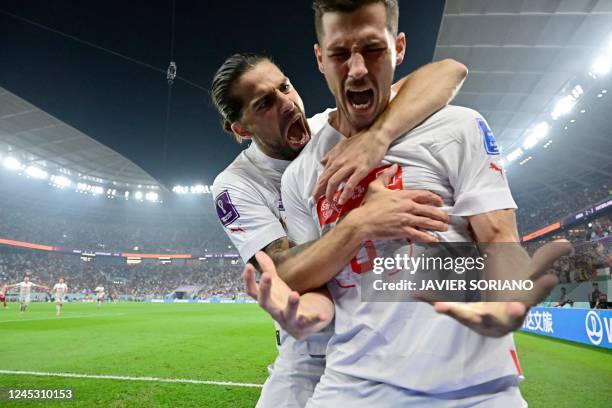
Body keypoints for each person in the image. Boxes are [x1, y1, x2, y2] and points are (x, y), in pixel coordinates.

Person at [274, 1, 572, 405]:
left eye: (373, 50)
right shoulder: (302, 174)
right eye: (340, 54)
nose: (357, 69)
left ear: (399, 49)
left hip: (475, 389)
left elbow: (499, 236)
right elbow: (306, 277)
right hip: (350, 388)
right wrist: (359, 224)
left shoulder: (457, 126)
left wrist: (505, 300)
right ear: (319, 59)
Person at [211, 52, 467, 406]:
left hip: (376, 333)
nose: (287, 103)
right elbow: (281, 271)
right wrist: (360, 222)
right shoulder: (236, 184)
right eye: (265, 103)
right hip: (309, 349)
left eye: (285, 87)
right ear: (242, 128)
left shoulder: (330, 128)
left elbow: (449, 71)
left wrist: (378, 134)